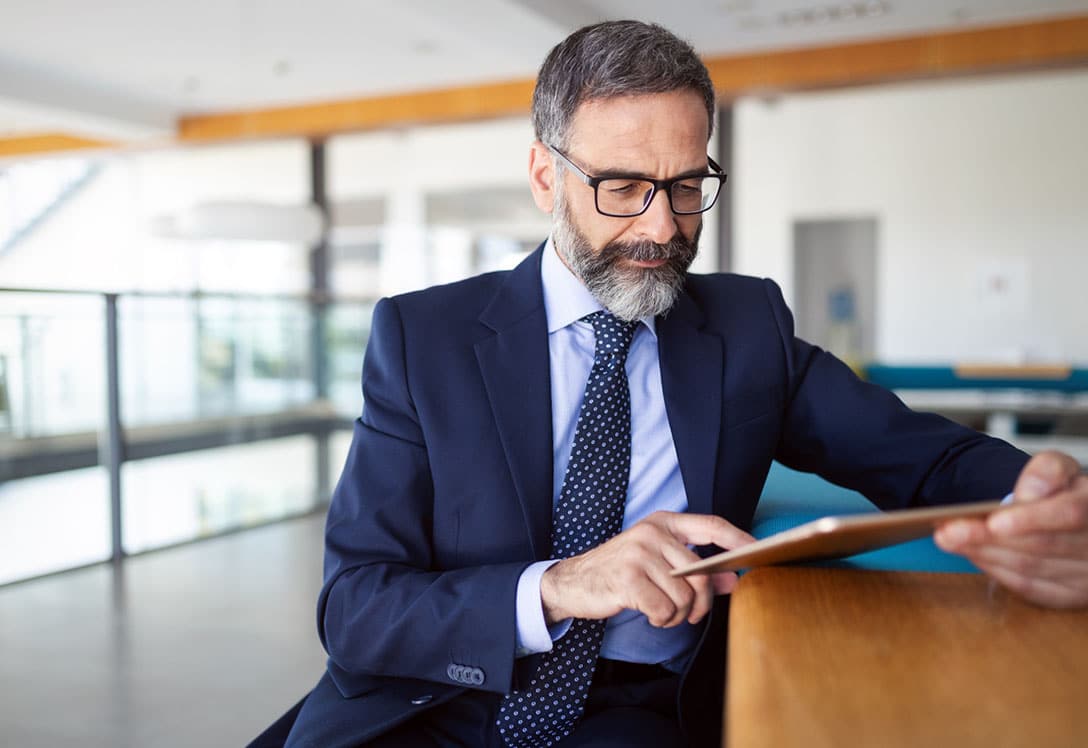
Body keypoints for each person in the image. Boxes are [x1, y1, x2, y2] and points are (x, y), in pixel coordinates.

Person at [279, 20, 1088, 748]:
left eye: (685, 187)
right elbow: (355, 608)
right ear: (544, 177)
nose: (662, 228)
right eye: (624, 187)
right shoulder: (426, 340)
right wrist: (559, 587)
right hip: (432, 704)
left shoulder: (745, 327)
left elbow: (925, 460)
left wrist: (1045, 497)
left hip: (639, 713)